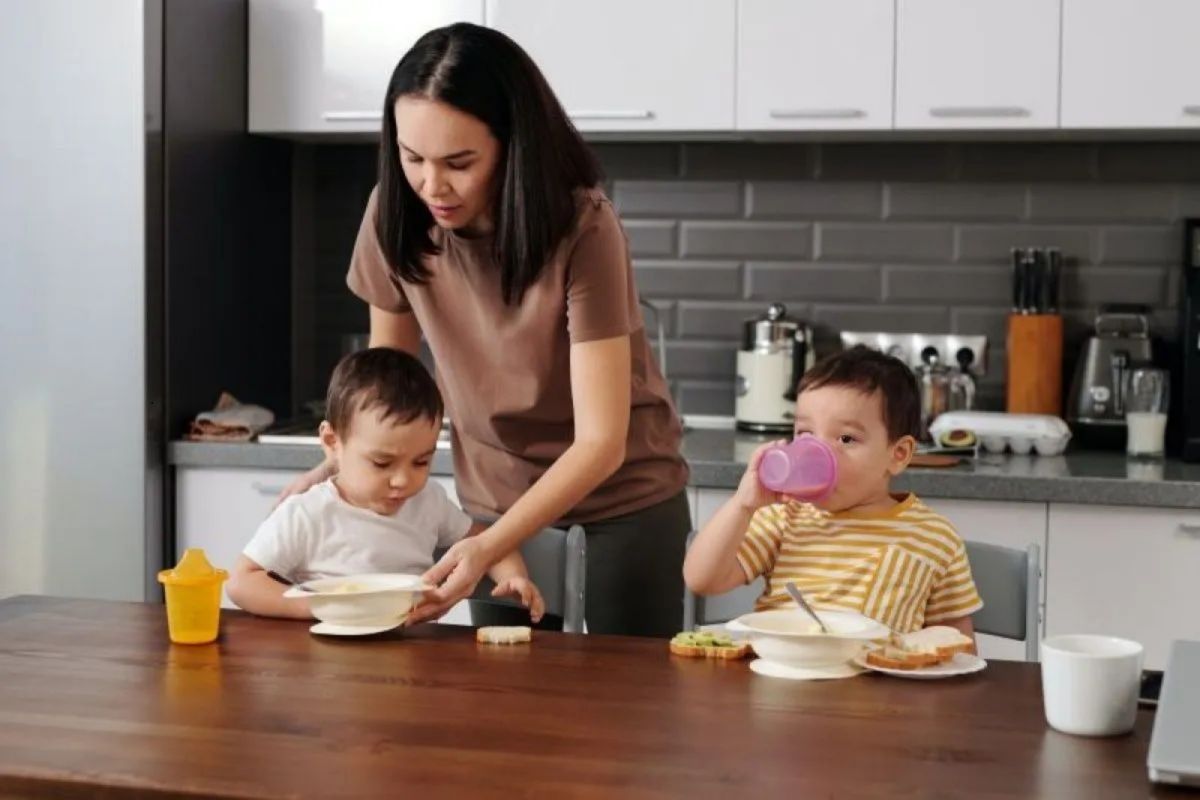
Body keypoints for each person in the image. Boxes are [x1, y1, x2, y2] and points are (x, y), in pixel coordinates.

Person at [279, 23, 691, 636]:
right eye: (412, 157)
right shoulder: (395, 214)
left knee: (624, 715)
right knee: (502, 708)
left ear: (512, 146)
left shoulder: (584, 227)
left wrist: (485, 545)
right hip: (491, 507)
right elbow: (387, 393)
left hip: (623, 504)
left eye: (459, 163)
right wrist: (338, 470)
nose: (431, 186)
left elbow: (602, 442)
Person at [684, 346, 982, 637]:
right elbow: (702, 579)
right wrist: (742, 505)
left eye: (846, 438)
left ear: (899, 454)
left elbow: (955, 641)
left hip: (879, 685)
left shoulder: (935, 538)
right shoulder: (784, 518)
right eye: (805, 433)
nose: (818, 452)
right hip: (782, 677)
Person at [229, 348, 543, 623]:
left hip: (410, 656)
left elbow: (484, 540)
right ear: (331, 443)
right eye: (382, 463)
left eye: (421, 462)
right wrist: (315, 607)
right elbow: (242, 582)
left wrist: (515, 577)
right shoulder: (307, 513)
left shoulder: (428, 502)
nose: (403, 481)